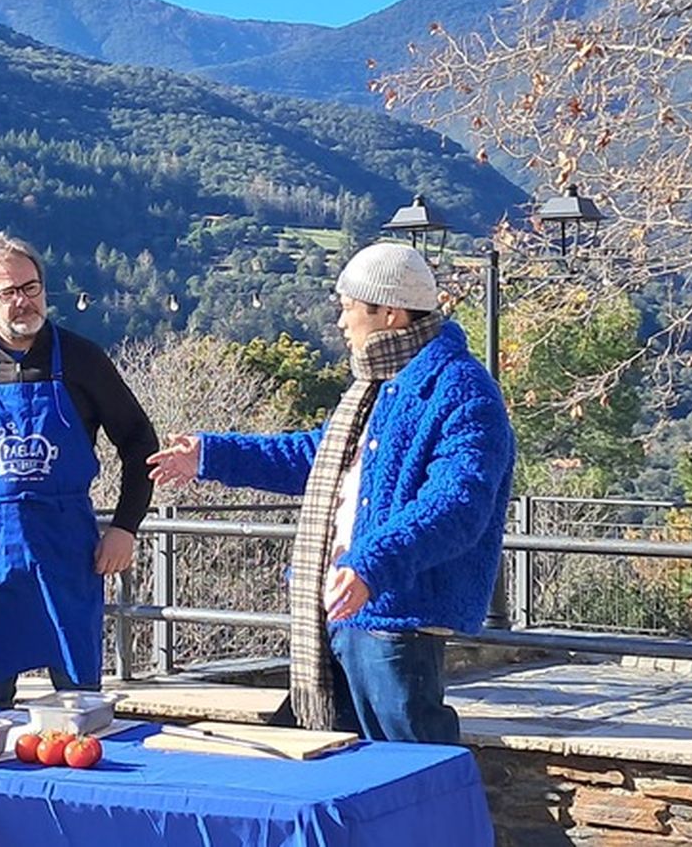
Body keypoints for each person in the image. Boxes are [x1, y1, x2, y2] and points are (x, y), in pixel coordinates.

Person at [148, 241, 514, 744]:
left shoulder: (461, 390)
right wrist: (211, 456)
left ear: (388, 311)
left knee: (408, 781)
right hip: (344, 616)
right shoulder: (378, 387)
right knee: (334, 771)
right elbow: (317, 458)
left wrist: (370, 564)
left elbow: (457, 505)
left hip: (394, 626)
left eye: (347, 308)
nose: (341, 323)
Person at [0, 231, 159, 707]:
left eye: (32, 288)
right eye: (9, 292)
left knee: (79, 703)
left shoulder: (84, 360)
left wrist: (125, 527)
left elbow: (138, 442)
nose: (23, 301)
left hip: (67, 549)